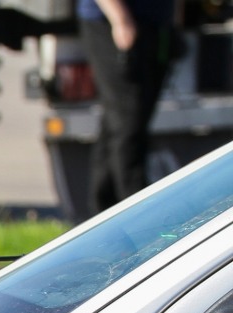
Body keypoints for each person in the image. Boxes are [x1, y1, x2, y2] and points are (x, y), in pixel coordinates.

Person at [79, 0, 185, 212]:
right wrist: (121, 20)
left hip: (155, 24)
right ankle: (136, 210)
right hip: (116, 25)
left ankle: (102, 212)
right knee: (128, 123)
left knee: (120, 123)